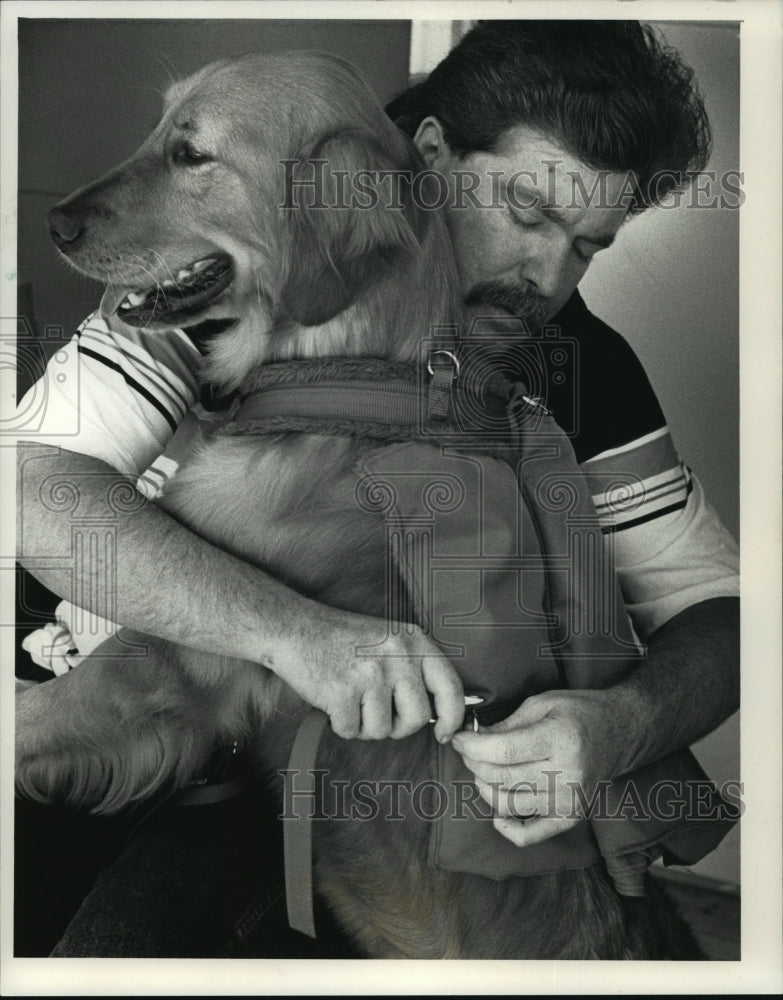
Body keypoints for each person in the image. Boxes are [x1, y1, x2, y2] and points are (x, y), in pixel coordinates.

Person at [16, 20, 739, 955]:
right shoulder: (222, 271)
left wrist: (621, 724)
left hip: (367, 822)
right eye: (525, 214)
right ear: (430, 155)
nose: (547, 278)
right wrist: (299, 635)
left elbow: (721, 613)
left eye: (587, 246)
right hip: (116, 703)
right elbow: (34, 489)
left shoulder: (579, 363)